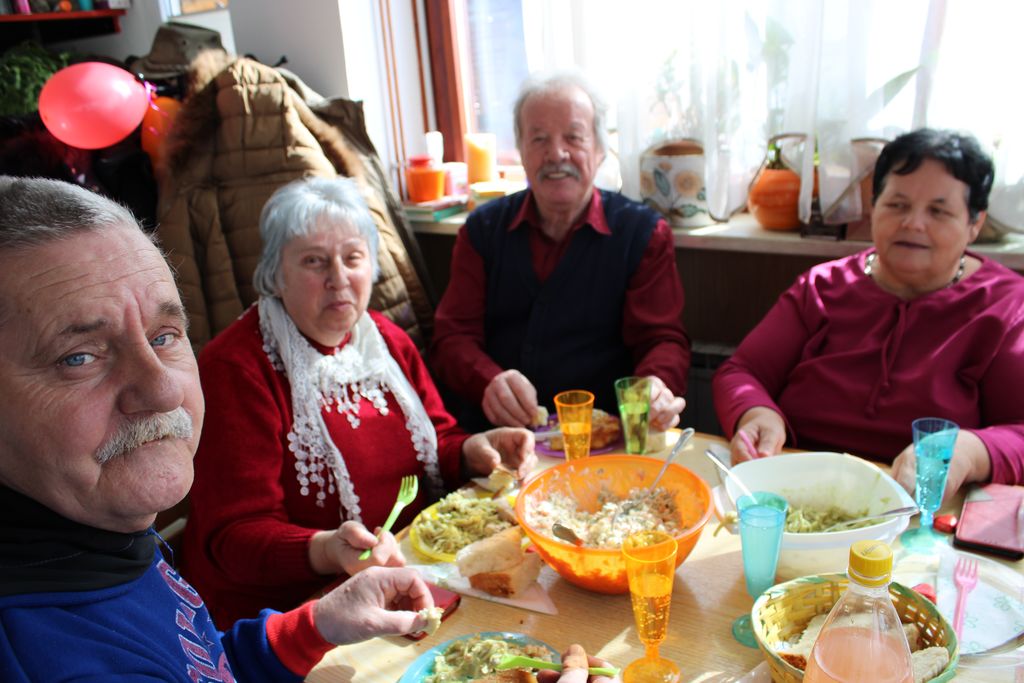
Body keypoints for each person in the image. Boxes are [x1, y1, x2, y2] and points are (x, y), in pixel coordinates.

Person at [0, 176, 437, 682]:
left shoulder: (101, 536)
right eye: (79, 357)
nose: (165, 391)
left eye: (164, 336)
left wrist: (313, 627)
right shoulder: (50, 656)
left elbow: (203, 667)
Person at [182, 176, 537, 626]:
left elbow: (437, 440)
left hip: (411, 575)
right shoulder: (236, 368)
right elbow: (234, 538)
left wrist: (472, 450)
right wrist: (328, 550)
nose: (339, 279)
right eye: (314, 261)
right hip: (288, 613)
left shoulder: (383, 339)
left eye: (353, 258)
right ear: (275, 273)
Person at [712, 129, 1024, 501]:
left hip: (922, 508)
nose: (913, 223)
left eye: (938, 211)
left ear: (974, 223)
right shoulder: (821, 286)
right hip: (794, 489)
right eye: (897, 205)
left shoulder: (1007, 305)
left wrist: (969, 451)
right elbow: (742, 371)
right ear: (874, 208)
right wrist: (757, 413)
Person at [430, 71, 690, 433]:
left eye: (574, 137)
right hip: (501, 437)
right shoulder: (481, 231)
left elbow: (662, 340)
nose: (556, 154)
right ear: (521, 152)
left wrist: (656, 385)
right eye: (539, 139)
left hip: (606, 437)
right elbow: (451, 339)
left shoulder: (643, 233)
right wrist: (488, 381)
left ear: (599, 150)